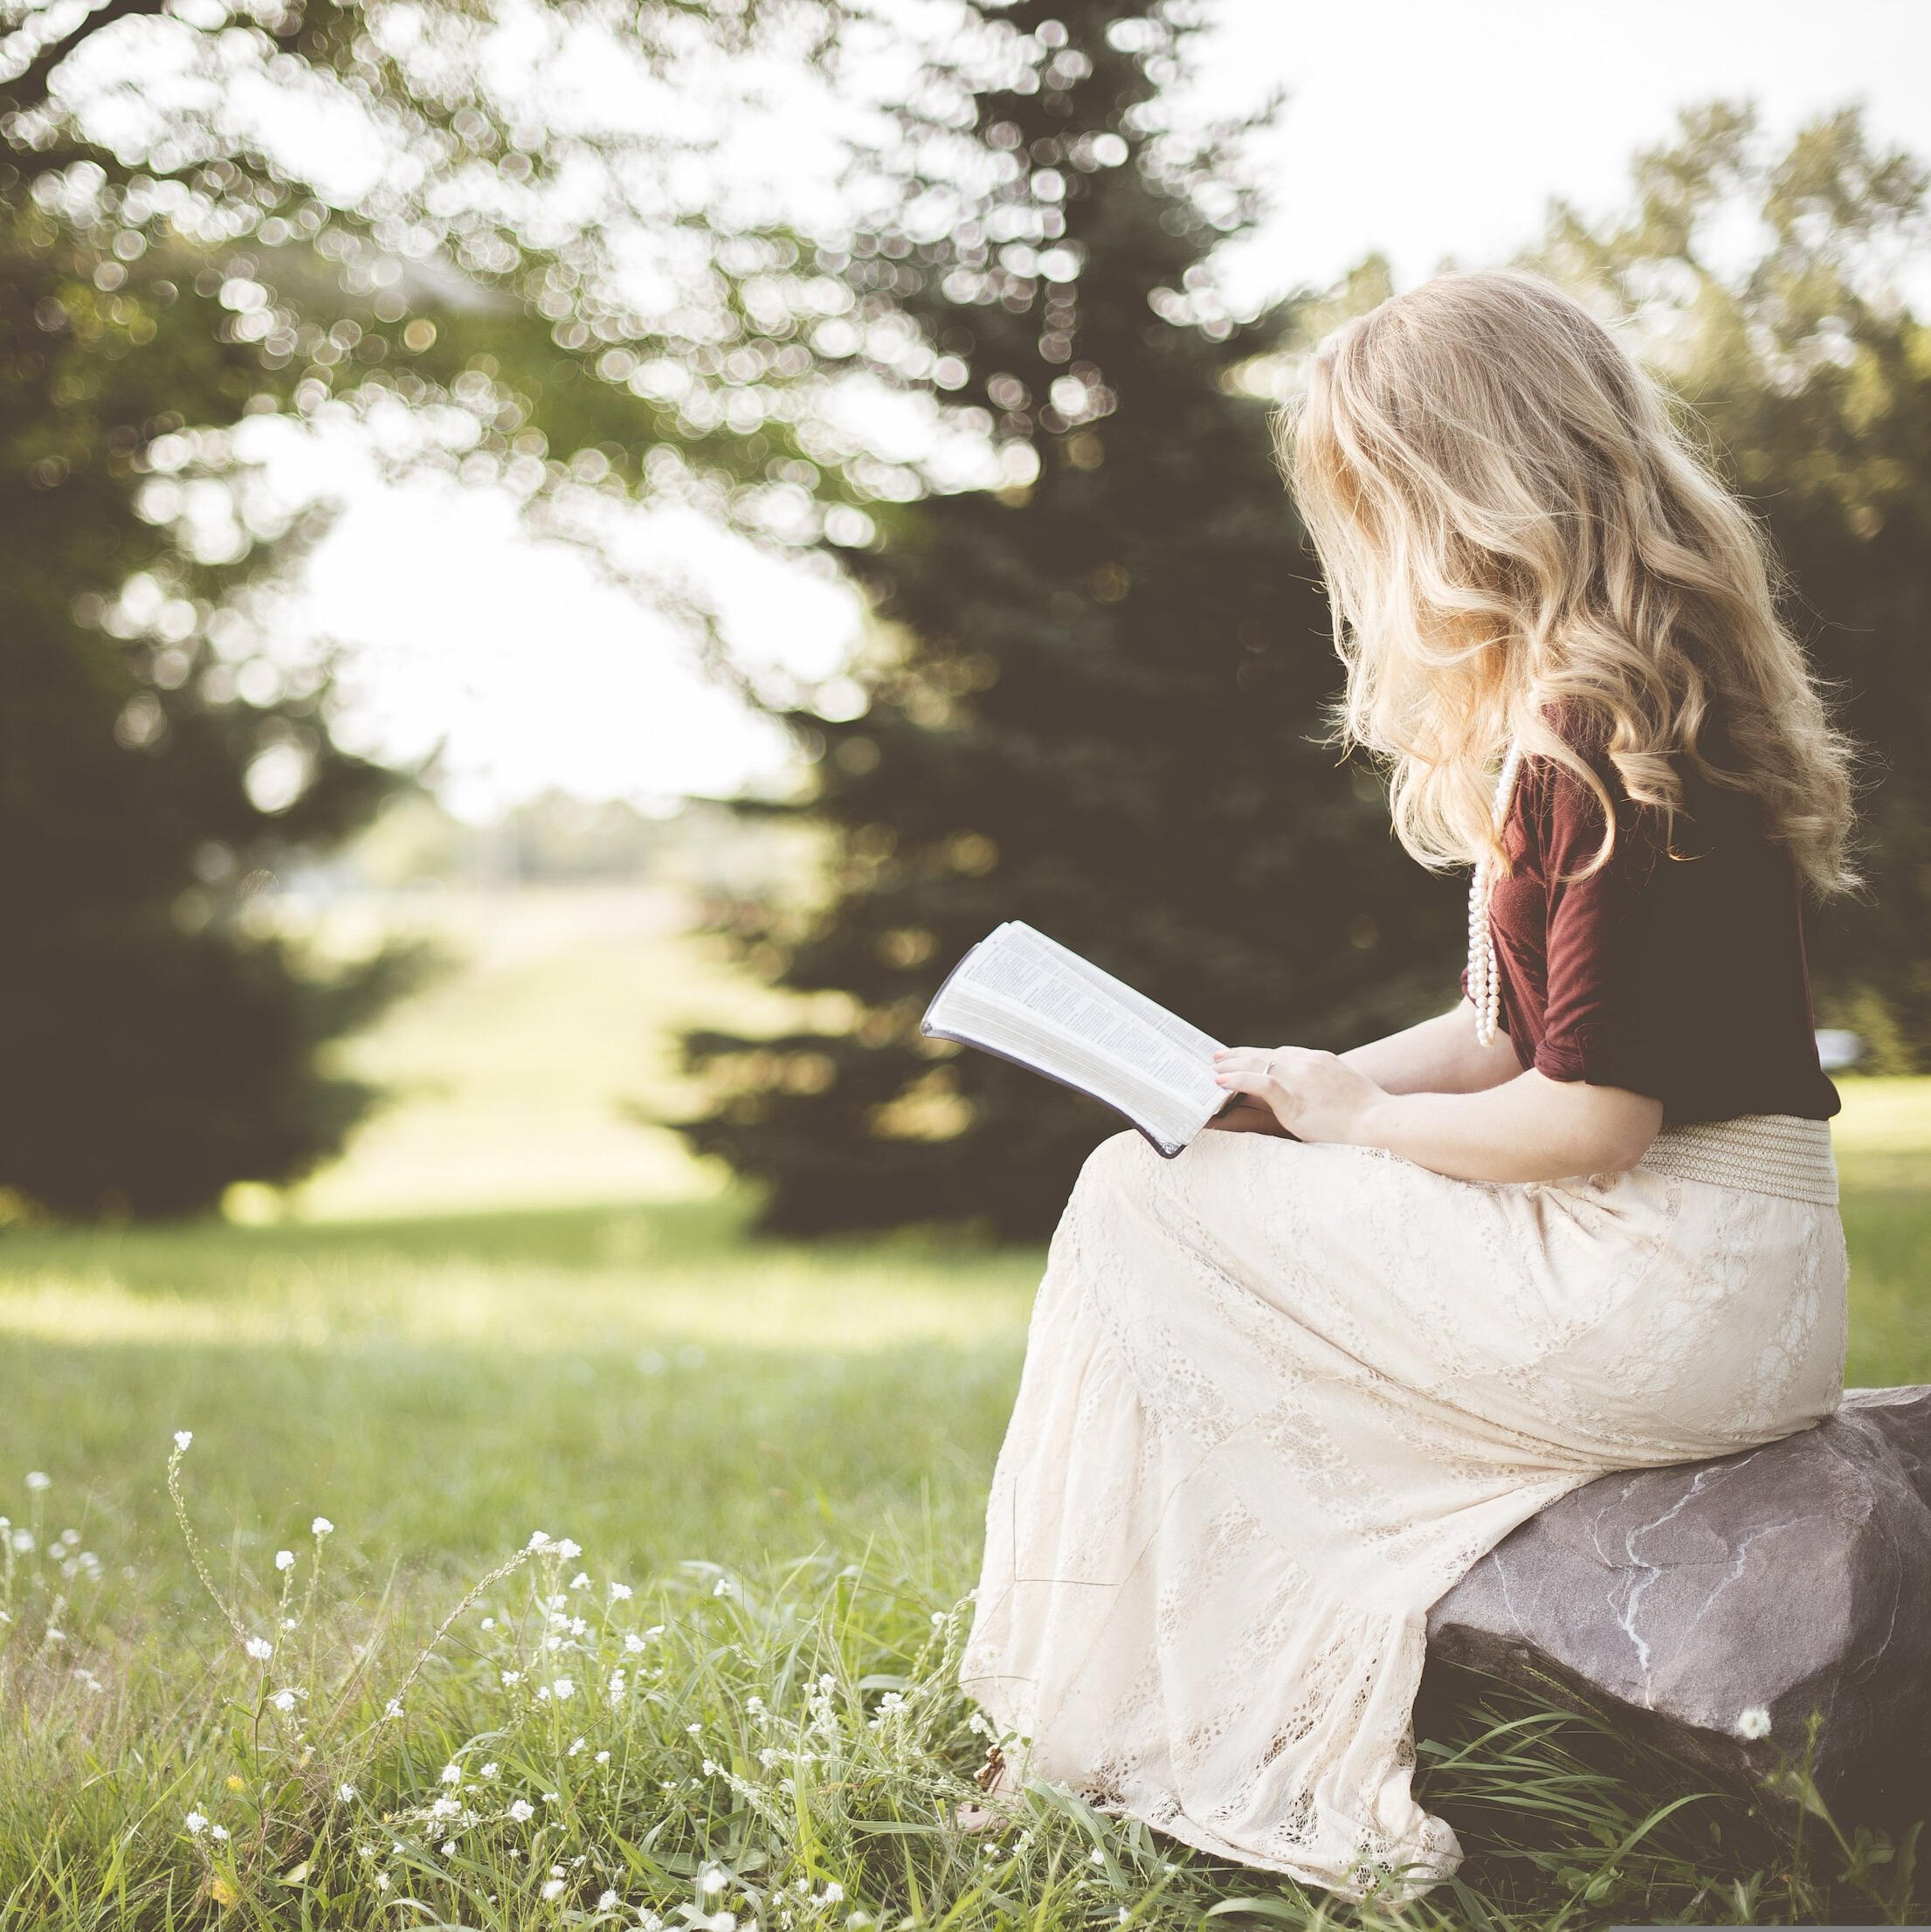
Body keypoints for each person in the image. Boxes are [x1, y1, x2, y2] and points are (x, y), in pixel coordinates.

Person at [955, 268, 1857, 1904]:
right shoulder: (1620, 692)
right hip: (1722, 1276)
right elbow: (1500, 1034)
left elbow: (1590, 1120)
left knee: (1127, 1202)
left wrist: (1356, 1130)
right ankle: (1107, 1710)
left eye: (1376, 503)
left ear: (1467, 490)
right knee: (1171, 1179)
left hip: (1662, 1276)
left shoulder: (1594, 724)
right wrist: (1289, 1082)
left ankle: (1088, 1728)